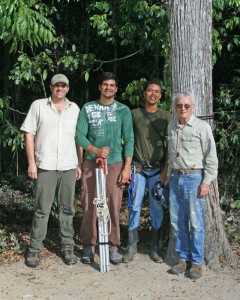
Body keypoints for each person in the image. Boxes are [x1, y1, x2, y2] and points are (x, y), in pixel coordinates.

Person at [21, 74, 81, 268]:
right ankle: (34, 249)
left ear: (68, 89)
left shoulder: (75, 109)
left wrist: (79, 163)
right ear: (51, 87)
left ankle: (68, 247)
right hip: (45, 165)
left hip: (69, 166)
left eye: (64, 86)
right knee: (42, 210)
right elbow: (29, 134)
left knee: (67, 209)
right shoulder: (38, 106)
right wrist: (32, 163)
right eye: (57, 85)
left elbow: (79, 138)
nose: (60, 89)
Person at [75, 72, 134, 265]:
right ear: (100, 87)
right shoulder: (88, 108)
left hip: (115, 163)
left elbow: (129, 140)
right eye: (105, 85)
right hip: (92, 162)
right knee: (90, 203)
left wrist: (127, 168)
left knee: (112, 204)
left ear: (116, 89)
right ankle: (88, 245)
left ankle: (112, 245)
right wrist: (95, 150)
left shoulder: (123, 110)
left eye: (112, 85)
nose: (108, 88)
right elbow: (79, 136)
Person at [167, 92, 218, 279]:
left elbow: (211, 157)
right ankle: (182, 258)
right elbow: (171, 155)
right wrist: (166, 176)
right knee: (177, 222)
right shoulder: (172, 125)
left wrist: (206, 181)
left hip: (194, 178)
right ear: (175, 107)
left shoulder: (202, 127)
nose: (183, 109)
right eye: (179, 105)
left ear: (193, 107)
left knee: (196, 223)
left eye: (186, 106)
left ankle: (196, 262)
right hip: (175, 178)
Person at [122, 80, 171, 263]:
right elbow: (126, 140)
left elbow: (171, 145)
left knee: (156, 207)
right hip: (138, 168)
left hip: (158, 169)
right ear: (144, 93)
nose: (153, 94)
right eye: (150, 90)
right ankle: (131, 246)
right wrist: (127, 166)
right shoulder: (133, 114)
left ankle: (155, 248)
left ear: (160, 95)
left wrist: (166, 169)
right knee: (134, 205)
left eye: (157, 91)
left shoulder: (166, 116)